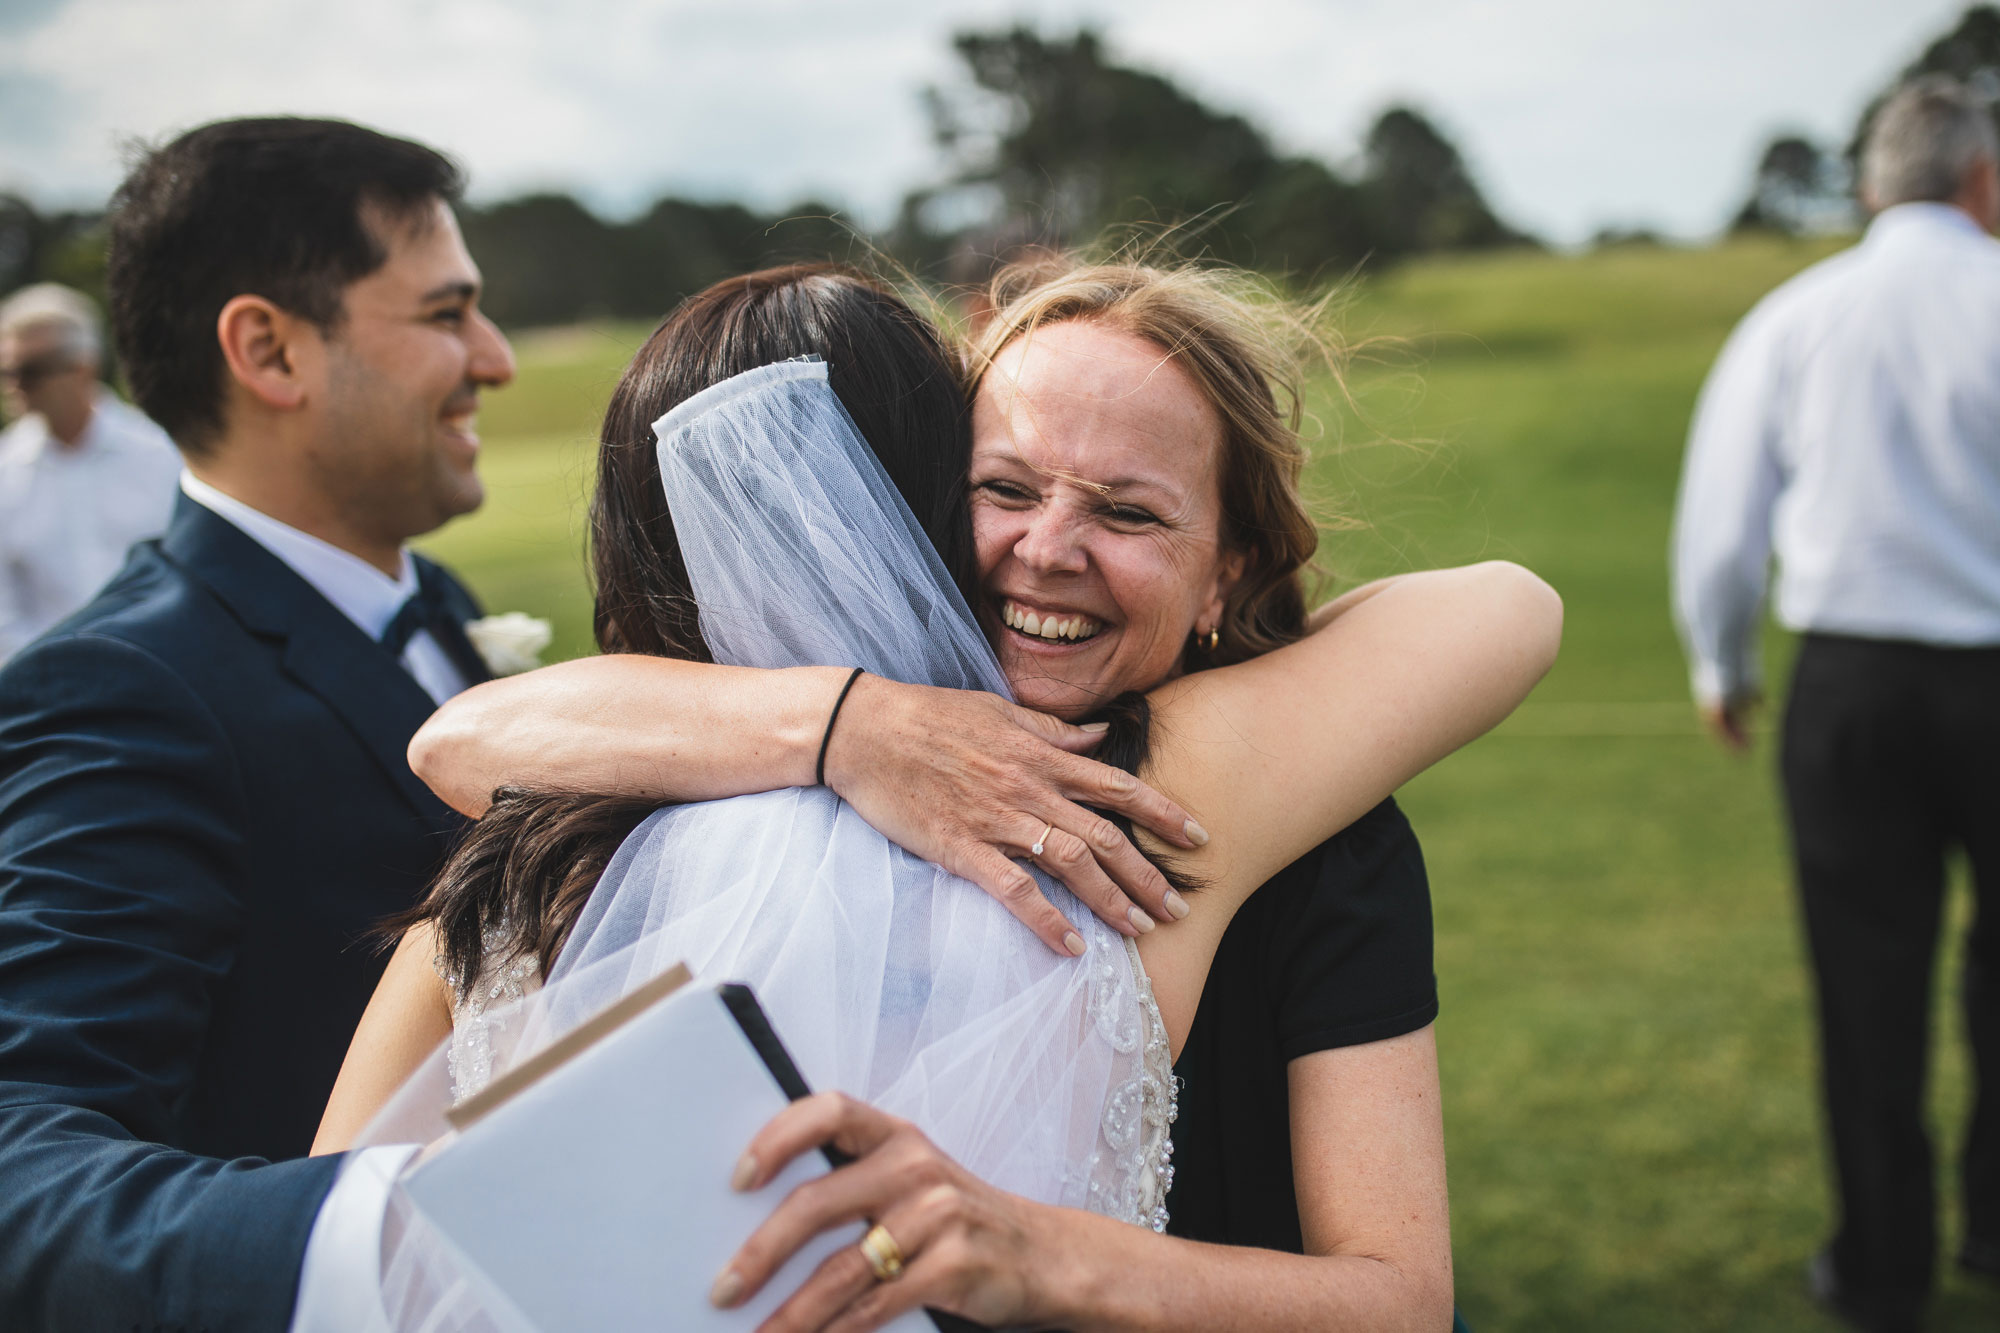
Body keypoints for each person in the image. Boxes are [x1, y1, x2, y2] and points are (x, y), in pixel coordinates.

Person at [327, 259, 1561, 1330]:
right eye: (1003, 489)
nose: (1047, 550)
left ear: (1224, 569)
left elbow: (321, 1239)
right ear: (911, 503)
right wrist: (854, 727)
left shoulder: (1247, 797)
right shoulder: (553, 844)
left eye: (1127, 511)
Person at [0, 117, 515, 1329]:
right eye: (445, 315)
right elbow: (22, 1166)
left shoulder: (439, 605)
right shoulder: (125, 689)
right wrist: (386, 1228)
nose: (491, 357)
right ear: (269, 351)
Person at [1671, 75, 2000, 1332]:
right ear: (1981, 181)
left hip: (1849, 689)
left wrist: (1721, 668)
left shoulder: (1793, 317)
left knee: (1866, 979)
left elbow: (1718, 530)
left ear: (1869, 185)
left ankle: (1878, 1267)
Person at [0, 281, 180, 661]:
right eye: (8, 371)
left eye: (31, 370)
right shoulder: (5, 472)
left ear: (82, 368)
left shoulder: (162, 455)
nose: (16, 386)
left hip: (165, 674)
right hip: (48, 692)